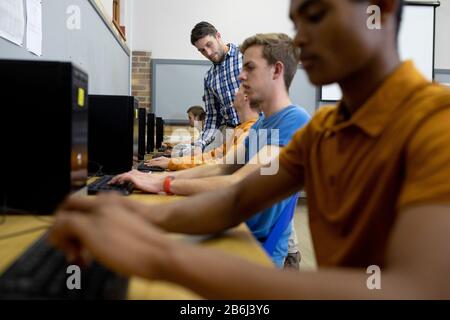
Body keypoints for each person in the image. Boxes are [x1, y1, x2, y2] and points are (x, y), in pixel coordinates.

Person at [50, 0, 450, 299]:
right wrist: (126, 209)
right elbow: (236, 196)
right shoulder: (324, 129)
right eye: (296, 22)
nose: (301, 37)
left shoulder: (436, 123)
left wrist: (161, 258)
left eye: (315, 15)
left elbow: (413, 290)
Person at [111, 33, 310, 267]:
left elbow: (239, 184)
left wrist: (163, 184)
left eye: (249, 67)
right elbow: (221, 166)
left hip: (256, 251)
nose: (240, 75)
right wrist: (160, 177)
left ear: (276, 71)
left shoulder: (293, 120)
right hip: (238, 229)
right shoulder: (262, 124)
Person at [148, 85, 259, 170]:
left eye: (238, 90)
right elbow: (211, 156)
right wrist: (172, 162)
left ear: (246, 97)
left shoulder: (249, 132)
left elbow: (220, 168)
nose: (234, 93)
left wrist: (171, 167)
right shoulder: (238, 130)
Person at [190, 21, 242, 151]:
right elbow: (213, 117)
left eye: (209, 45)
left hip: (258, 129)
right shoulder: (209, 78)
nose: (208, 53)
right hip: (229, 134)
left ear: (218, 36)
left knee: (263, 170)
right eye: (202, 50)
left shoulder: (246, 57)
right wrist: (199, 144)